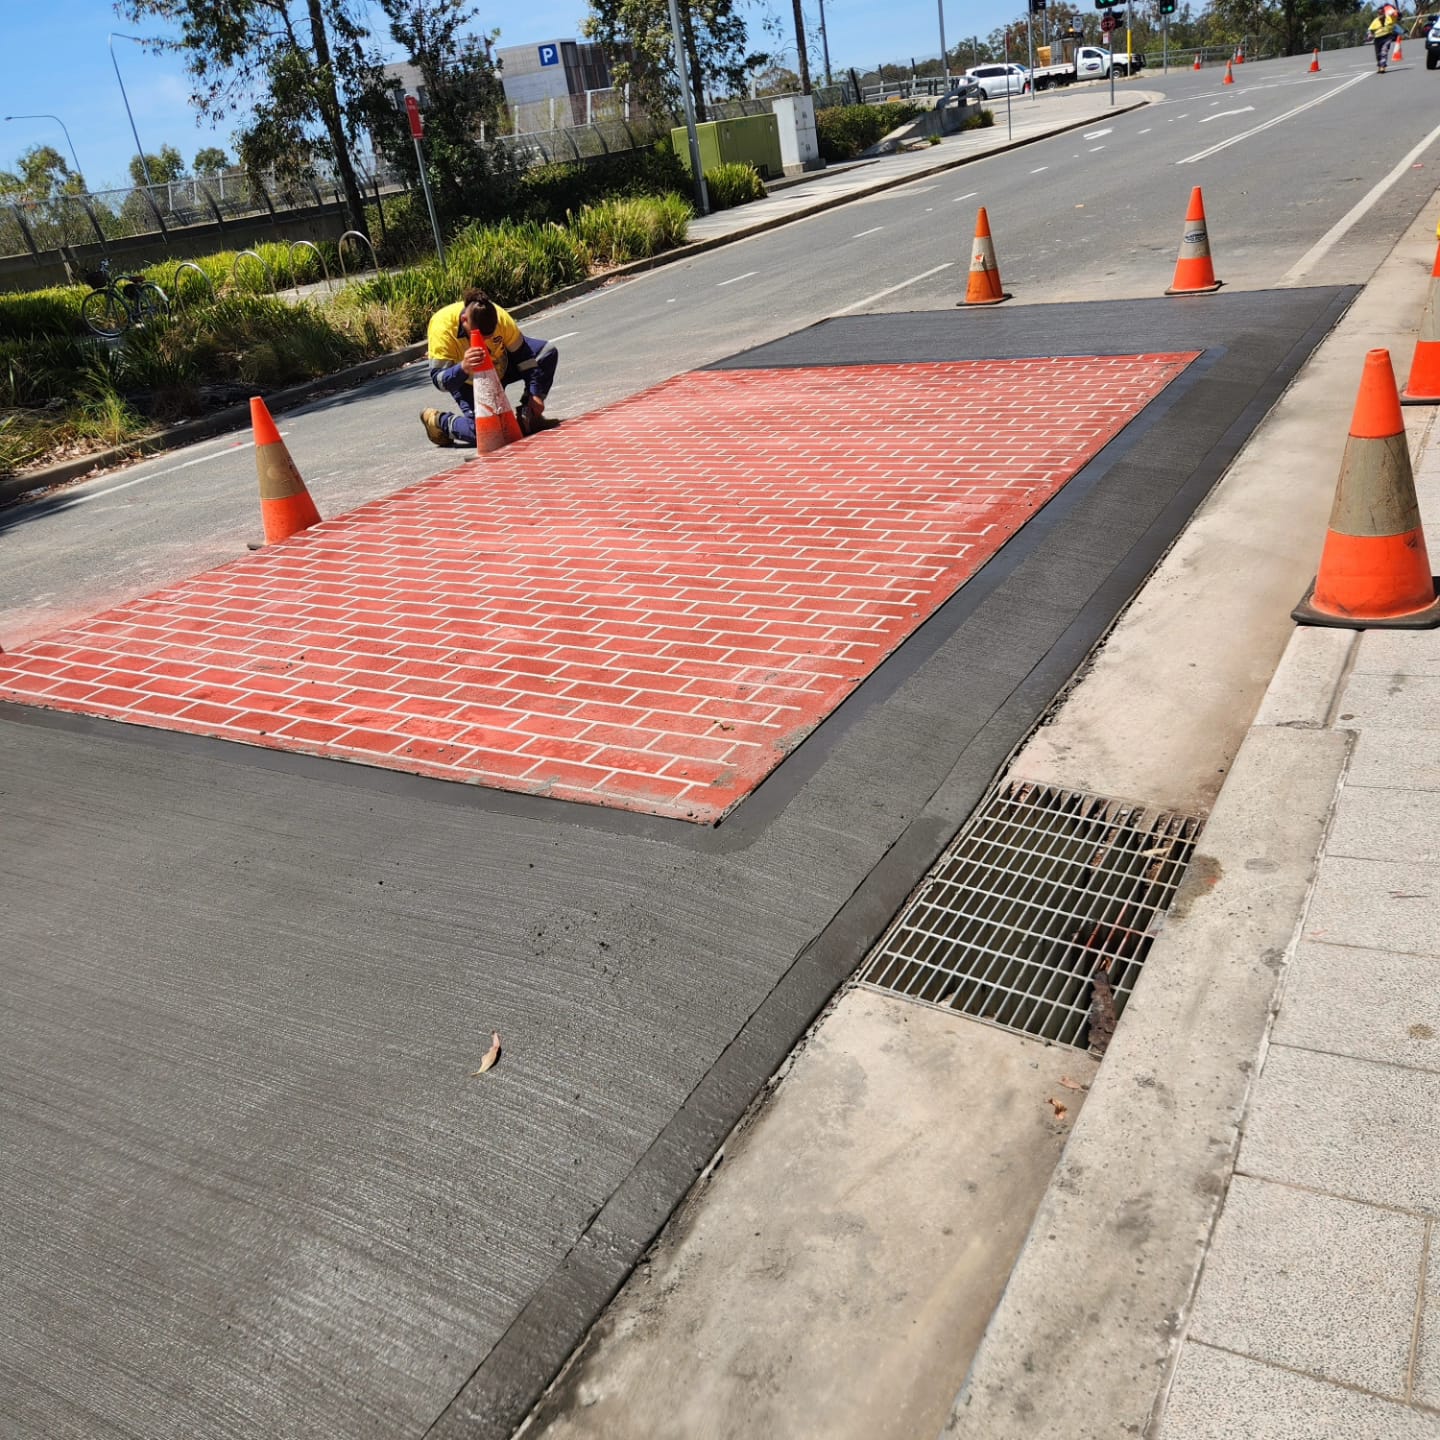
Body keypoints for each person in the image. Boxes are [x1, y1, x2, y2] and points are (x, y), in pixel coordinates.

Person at [420, 289, 559, 447]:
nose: (485, 342)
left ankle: (528, 417)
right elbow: (440, 381)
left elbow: (525, 358)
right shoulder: (442, 328)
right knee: (488, 434)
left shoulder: (500, 316)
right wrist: (463, 367)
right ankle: (439, 422)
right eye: (479, 335)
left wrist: (535, 393)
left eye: (490, 335)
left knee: (547, 351)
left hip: (502, 367)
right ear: (464, 319)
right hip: (468, 383)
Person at [1368, 4, 1401, 70]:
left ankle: (1383, 66)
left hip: (1387, 37)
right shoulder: (1375, 21)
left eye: (1381, 12)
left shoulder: (1390, 17)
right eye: (1378, 13)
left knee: (1384, 51)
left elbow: (1399, 16)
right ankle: (1380, 65)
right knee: (1378, 54)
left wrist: (1394, 11)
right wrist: (1370, 35)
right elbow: (1370, 29)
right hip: (1377, 39)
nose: (1380, 14)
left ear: (1384, 12)